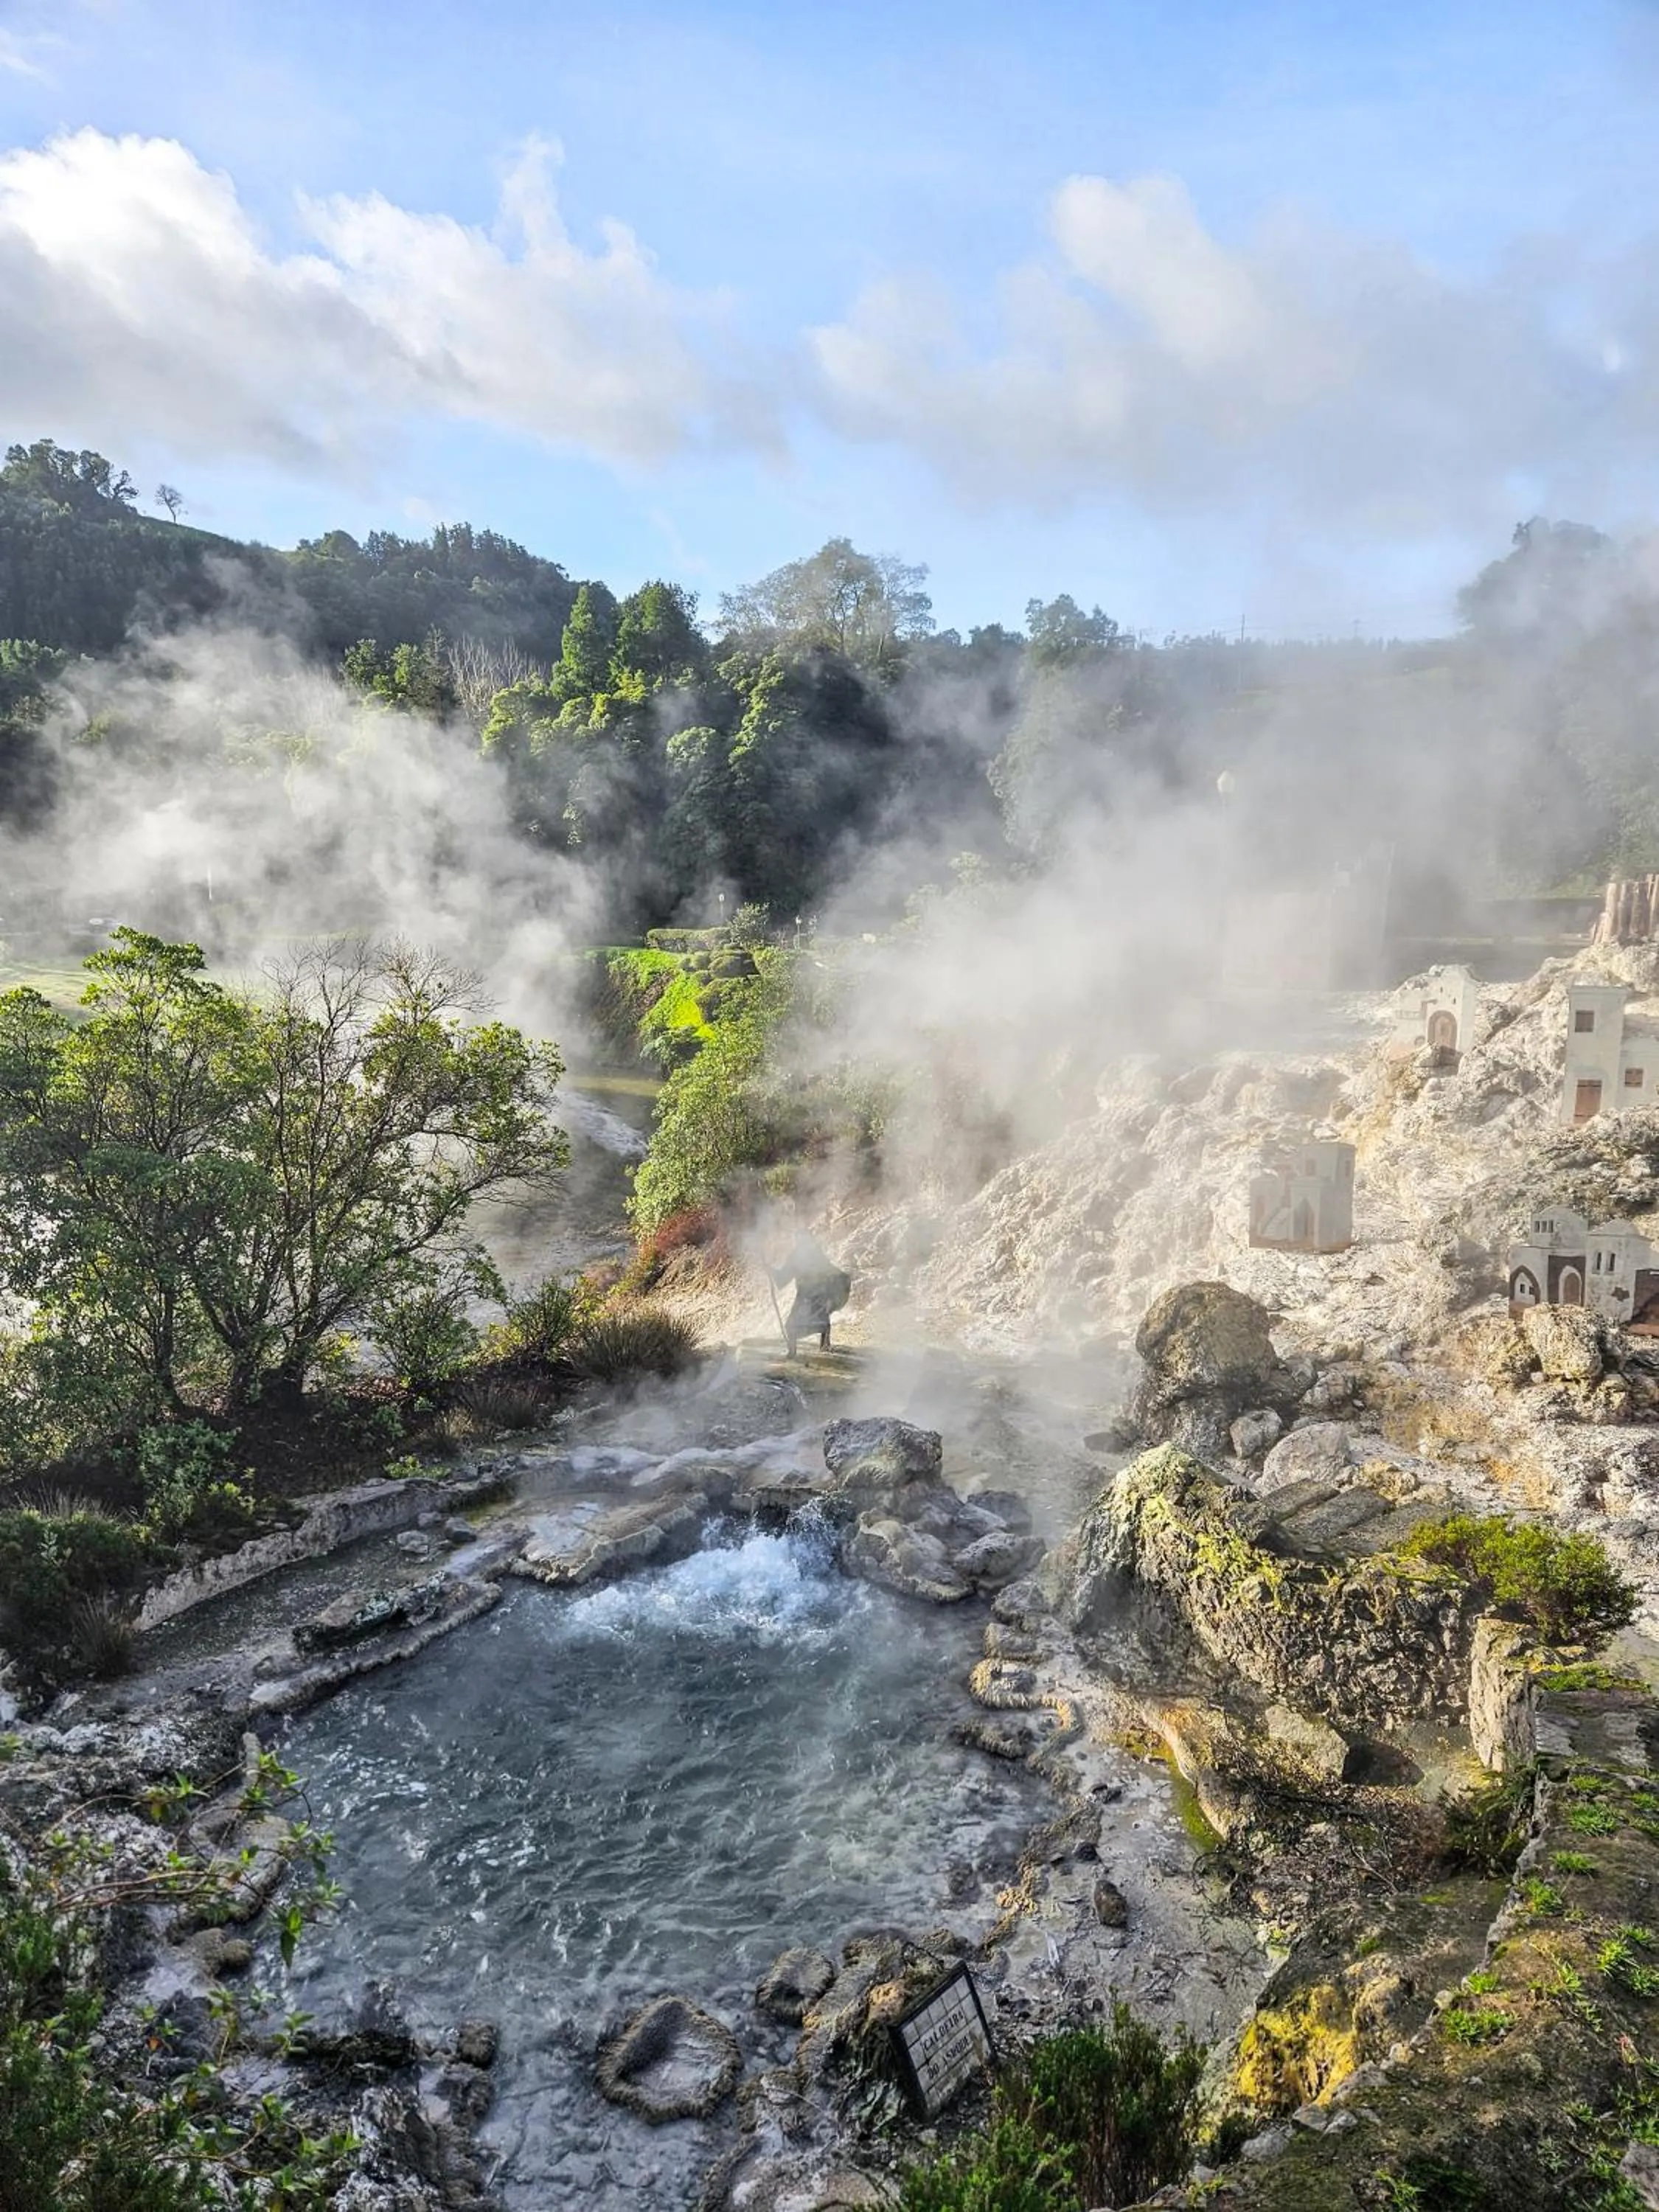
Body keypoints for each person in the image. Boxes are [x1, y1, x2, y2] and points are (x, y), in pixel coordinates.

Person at [770, 1230, 852, 1355]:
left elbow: (832, 1275)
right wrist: (769, 1269)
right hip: (807, 1296)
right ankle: (804, 1351)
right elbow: (782, 1279)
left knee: (797, 1326)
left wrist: (831, 1298)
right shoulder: (797, 1257)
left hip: (816, 1297)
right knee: (807, 1324)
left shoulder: (816, 1256)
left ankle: (817, 1349)